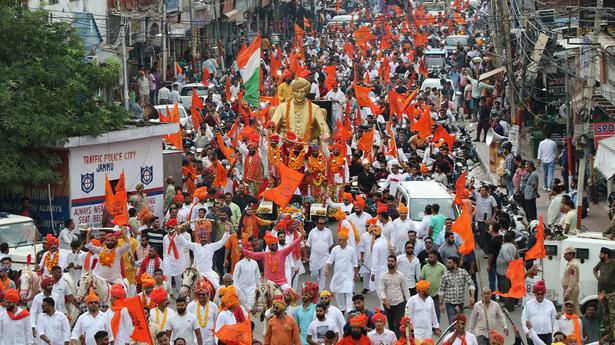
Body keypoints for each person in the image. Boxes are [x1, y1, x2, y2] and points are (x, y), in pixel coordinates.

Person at [173, 222, 231, 290]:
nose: (203, 238)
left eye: (205, 237)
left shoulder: (212, 246)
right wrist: (178, 234)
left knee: (217, 287)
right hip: (196, 273)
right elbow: (185, 242)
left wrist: (227, 232)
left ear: (207, 238)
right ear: (199, 238)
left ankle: (217, 300)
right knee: (185, 287)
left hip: (208, 273)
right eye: (202, 237)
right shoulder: (195, 246)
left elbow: (222, 242)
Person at [324, 227, 358, 314]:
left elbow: (355, 263)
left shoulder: (351, 250)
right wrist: (327, 269)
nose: (338, 241)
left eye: (340, 240)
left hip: (348, 275)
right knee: (338, 292)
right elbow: (329, 260)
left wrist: (356, 274)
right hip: (338, 275)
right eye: (338, 239)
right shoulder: (335, 249)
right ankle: (342, 309)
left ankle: (350, 310)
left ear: (345, 240)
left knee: (349, 291)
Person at [377, 255, 410, 338]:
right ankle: (392, 340)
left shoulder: (401, 275)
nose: (390, 263)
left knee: (399, 323)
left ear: (395, 263)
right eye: (389, 261)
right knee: (390, 323)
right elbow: (381, 289)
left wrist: (409, 303)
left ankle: (399, 341)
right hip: (387, 304)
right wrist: (384, 299)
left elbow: (406, 290)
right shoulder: (383, 276)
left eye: (392, 261)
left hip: (399, 302)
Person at [439, 256, 476, 324]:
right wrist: (441, 304)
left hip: (460, 302)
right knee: (452, 323)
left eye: (450, 263)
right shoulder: (445, 275)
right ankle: (453, 334)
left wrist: (472, 297)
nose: (447, 264)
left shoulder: (463, 272)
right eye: (448, 262)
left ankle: (459, 335)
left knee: (460, 323)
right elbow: (441, 290)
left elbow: (471, 284)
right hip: (449, 303)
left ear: (455, 264)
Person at [521, 281, 557, 345]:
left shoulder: (550, 304)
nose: (540, 295)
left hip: (547, 336)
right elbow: (524, 320)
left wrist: (555, 335)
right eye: (538, 294)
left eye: (542, 294)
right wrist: (527, 332)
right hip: (533, 335)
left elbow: (554, 321)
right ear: (534, 294)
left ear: (544, 294)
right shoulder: (528, 304)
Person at [307, 217, 334, 290]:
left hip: (325, 257)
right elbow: (308, 245)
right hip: (314, 257)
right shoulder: (312, 232)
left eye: (324, 224)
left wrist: (331, 257)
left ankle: (320, 291)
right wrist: (306, 256)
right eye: (321, 224)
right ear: (316, 223)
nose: (323, 225)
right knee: (314, 274)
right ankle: (317, 284)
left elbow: (331, 245)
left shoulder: (328, 231)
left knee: (323, 275)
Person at [186, 280, 217, 345]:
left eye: (203, 294)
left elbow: (216, 323)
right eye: (199, 294)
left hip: (211, 341)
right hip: (195, 341)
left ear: (208, 294)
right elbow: (187, 323)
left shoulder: (214, 306)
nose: (201, 296)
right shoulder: (191, 306)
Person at [232, 241, 261, 310]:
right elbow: (235, 279)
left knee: (250, 307)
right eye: (248, 250)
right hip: (241, 288)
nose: (249, 252)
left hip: (252, 288)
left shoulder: (255, 263)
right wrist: (237, 289)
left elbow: (258, 277)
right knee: (242, 307)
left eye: (251, 250)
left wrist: (258, 287)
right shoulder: (239, 264)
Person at [593, 247, 615, 335]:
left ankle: (613, 332)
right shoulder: (601, 263)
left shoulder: (613, 263)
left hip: (612, 292)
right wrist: (598, 278)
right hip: (601, 291)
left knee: (612, 314)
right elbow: (594, 269)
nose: (600, 255)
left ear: (606, 255)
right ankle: (608, 332)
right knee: (604, 313)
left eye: (601, 254)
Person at [561, 246, 581, 313]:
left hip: (571, 290)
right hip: (569, 289)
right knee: (575, 308)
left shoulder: (573, 265)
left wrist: (567, 293)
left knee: (567, 308)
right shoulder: (570, 263)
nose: (564, 256)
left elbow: (572, 281)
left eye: (565, 254)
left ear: (571, 254)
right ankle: (579, 321)